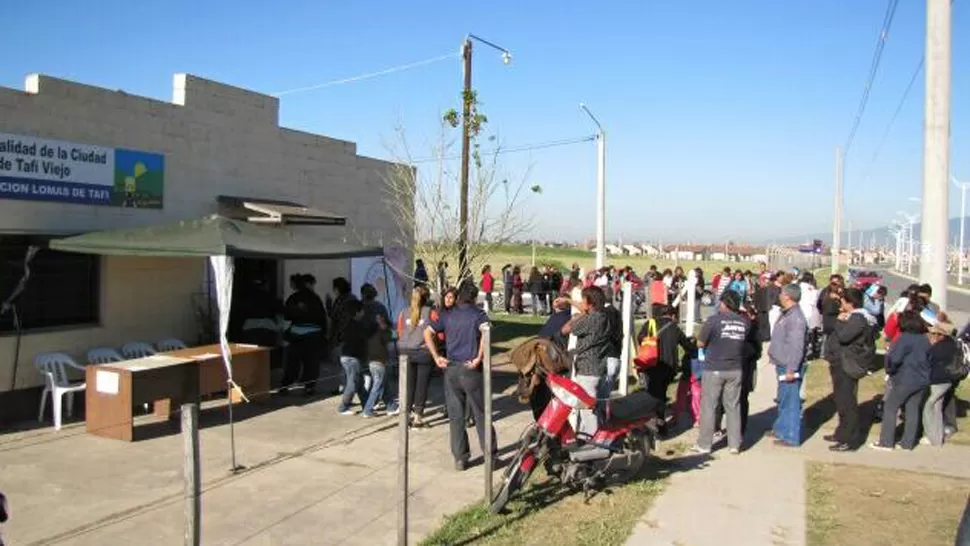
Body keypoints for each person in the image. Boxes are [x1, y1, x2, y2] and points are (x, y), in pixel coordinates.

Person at [424, 281, 495, 471]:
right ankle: (490, 455)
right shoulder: (478, 314)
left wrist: (436, 357)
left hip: (451, 369)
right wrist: (479, 357)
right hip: (470, 368)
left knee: (456, 416)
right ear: (473, 297)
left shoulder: (447, 315)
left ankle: (460, 458)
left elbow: (427, 332)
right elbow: (486, 335)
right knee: (481, 413)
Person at [692, 290, 750, 455]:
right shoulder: (744, 323)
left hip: (715, 368)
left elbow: (701, 343)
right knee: (733, 406)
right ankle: (734, 444)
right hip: (736, 369)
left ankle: (704, 444)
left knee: (709, 406)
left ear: (724, 303)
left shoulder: (713, 321)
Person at [824, 287, 877, 451]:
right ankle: (841, 433)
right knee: (841, 400)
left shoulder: (858, 318)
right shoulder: (856, 317)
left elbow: (844, 336)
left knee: (847, 402)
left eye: (843, 301)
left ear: (850, 303)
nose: (841, 304)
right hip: (841, 362)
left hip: (846, 364)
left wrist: (840, 321)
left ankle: (850, 440)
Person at [872, 310, 932, 451]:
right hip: (922, 380)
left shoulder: (904, 338)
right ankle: (907, 443)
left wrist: (890, 370)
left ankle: (886, 442)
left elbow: (895, 359)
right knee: (912, 409)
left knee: (890, 407)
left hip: (905, 378)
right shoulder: (924, 338)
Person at [561, 286, 612, 435]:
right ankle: (595, 436)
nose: (581, 304)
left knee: (587, 410)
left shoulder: (590, 320)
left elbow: (566, 329)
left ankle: (594, 442)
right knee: (597, 408)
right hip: (600, 367)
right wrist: (570, 301)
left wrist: (579, 314)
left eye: (583, 301)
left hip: (587, 371)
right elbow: (586, 309)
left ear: (590, 303)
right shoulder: (605, 316)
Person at [638, 304, 691, 434]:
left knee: (653, 393)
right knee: (661, 393)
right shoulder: (674, 327)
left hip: (652, 365)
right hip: (669, 367)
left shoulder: (649, 323)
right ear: (671, 314)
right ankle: (660, 423)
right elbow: (687, 346)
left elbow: (640, 339)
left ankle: (655, 422)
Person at [768, 284, 808, 447]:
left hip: (789, 366)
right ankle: (781, 429)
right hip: (781, 363)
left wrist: (792, 368)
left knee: (791, 401)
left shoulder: (796, 318)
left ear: (788, 297)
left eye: (782, 293)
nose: (779, 296)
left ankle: (791, 435)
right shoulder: (786, 314)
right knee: (783, 399)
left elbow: (796, 346)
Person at [280, 274, 327, 396]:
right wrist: (323, 335)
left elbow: (287, 316)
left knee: (292, 362)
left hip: (297, 334)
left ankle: (286, 385)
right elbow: (322, 318)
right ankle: (309, 387)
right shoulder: (315, 298)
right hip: (314, 335)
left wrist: (285, 335)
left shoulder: (293, 298)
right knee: (311, 362)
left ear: (295, 284)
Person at [398, 285, 435, 427]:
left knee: (408, 385)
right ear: (427, 298)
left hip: (405, 351)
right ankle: (418, 417)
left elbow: (400, 331)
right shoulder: (430, 312)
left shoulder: (403, 312)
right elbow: (438, 333)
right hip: (422, 351)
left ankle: (405, 414)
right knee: (421, 385)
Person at [360, 283, 396, 418]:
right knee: (377, 379)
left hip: (364, 348)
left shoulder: (361, 308)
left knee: (378, 378)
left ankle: (391, 405)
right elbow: (389, 325)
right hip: (378, 349)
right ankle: (369, 406)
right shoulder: (379, 308)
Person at [923, 320, 957, 446]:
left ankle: (933, 437)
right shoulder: (953, 344)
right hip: (948, 380)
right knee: (936, 407)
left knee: (929, 408)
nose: (934, 336)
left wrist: (932, 345)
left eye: (937, 333)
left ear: (943, 335)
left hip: (939, 380)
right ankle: (936, 436)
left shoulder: (941, 346)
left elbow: (928, 358)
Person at [337, 299, 372, 415]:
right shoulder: (356, 325)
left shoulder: (348, 323)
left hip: (348, 356)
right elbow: (363, 338)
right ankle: (343, 407)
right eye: (362, 311)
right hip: (352, 357)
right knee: (353, 383)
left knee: (359, 382)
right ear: (357, 312)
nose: (363, 313)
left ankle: (367, 405)